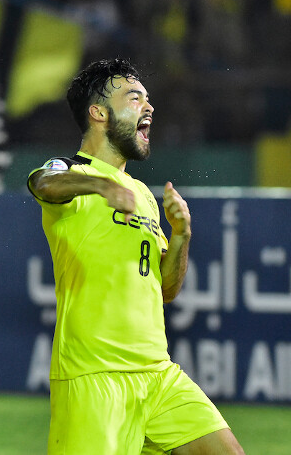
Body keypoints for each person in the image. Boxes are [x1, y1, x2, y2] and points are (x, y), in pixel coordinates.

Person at [28, 58, 244, 455]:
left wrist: (181, 236)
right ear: (98, 113)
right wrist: (100, 186)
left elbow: (166, 290)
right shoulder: (73, 172)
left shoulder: (142, 193)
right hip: (95, 377)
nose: (149, 107)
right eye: (134, 98)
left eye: (147, 98)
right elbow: (44, 182)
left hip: (158, 374)